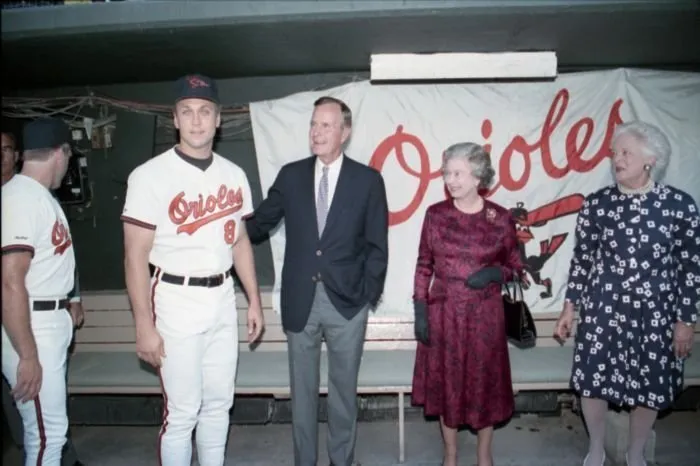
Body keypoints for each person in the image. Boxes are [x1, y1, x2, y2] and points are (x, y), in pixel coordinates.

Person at [121, 73, 264, 466]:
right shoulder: (149, 175)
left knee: (219, 403)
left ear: (218, 119)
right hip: (174, 296)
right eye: (188, 111)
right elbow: (134, 256)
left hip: (221, 296)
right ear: (175, 118)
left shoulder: (233, 174)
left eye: (205, 111)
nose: (197, 120)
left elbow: (239, 242)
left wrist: (253, 300)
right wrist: (143, 325)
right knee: (183, 412)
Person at [245, 96, 389, 466]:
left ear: (345, 132)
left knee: (343, 394)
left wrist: (367, 297)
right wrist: (224, 227)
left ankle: (342, 461)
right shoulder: (291, 175)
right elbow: (258, 225)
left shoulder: (368, 180)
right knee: (303, 395)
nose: (317, 132)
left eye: (326, 125)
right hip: (300, 302)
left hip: (347, 304)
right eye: (313, 124)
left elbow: (377, 245)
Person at [554, 120, 700, 466]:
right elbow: (582, 259)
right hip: (604, 307)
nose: (617, 159)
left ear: (650, 159)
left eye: (625, 153)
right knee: (592, 379)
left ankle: (635, 454)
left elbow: (692, 267)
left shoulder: (679, 206)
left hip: (655, 312)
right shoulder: (597, 204)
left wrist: (686, 319)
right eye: (614, 153)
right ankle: (596, 449)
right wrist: (570, 306)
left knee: (649, 383)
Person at [411, 142, 524, 466]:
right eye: (447, 172)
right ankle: (450, 454)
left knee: (483, 384)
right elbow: (423, 266)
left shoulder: (500, 218)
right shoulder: (436, 215)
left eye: (457, 173)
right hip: (444, 314)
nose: (450, 179)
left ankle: (484, 454)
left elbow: (517, 271)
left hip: (484, 318)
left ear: (478, 177)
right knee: (447, 384)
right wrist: (421, 309)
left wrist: (493, 273)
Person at [1, 130, 85, 466]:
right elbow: (9, 281)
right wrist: (28, 355)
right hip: (31, 325)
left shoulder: (40, 196)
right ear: (60, 152)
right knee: (46, 435)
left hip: (48, 318)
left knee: (51, 432)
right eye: (69, 155)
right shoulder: (19, 197)